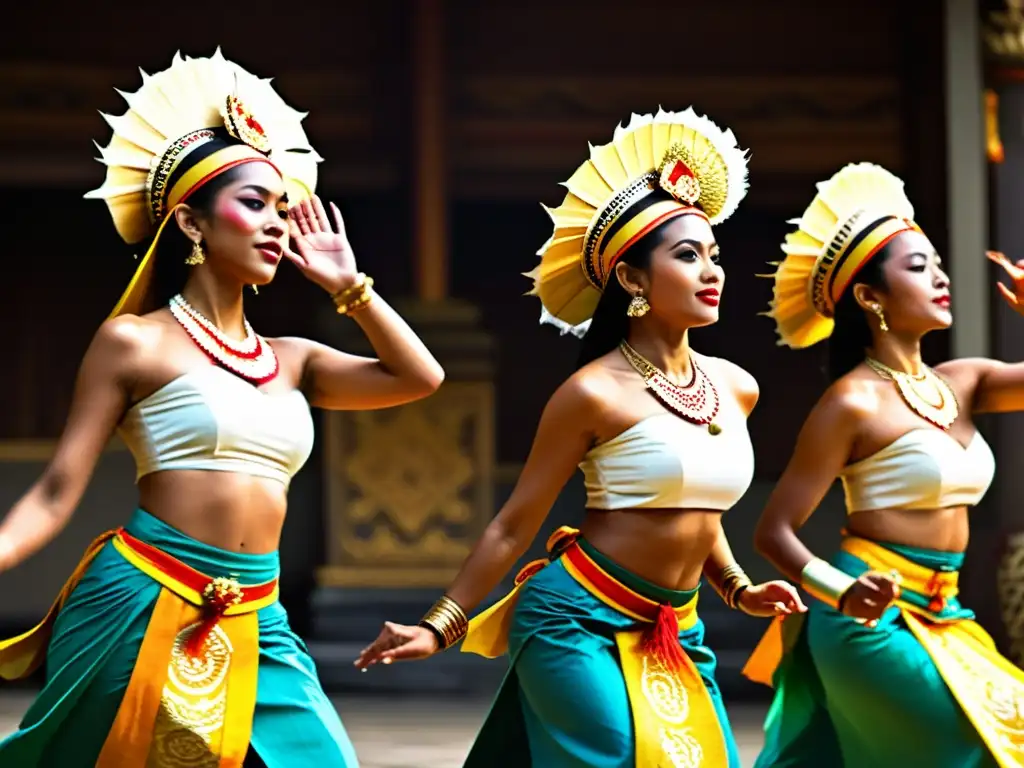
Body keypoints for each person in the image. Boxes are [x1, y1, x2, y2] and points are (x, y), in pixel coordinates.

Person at [0, 49, 444, 767]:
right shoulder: (132, 343)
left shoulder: (295, 358)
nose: (276, 225)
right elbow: (56, 492)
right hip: (139, 594)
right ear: (192, 223)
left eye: (281, 208)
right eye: (253, 204)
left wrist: (350, 286)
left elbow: (419, 376)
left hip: (257, 612)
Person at [356, 108, 805, 768]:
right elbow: (513, 526)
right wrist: (438, 626)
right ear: (631, 278)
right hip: (575, 619)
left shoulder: (737, 386)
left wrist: (739, 589)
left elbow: (700, 513)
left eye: (714, 255)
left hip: (677, 626)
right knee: (619, 758)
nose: (713, 272)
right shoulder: (592, 392)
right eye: (687, 256)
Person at [746, 161, 1024, 768]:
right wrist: (841, 592)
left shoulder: (965, 381)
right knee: (976, 749)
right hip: (868, 621)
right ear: (870, 296)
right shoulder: (851, 402)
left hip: (946, 613)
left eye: (939, 265)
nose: (941, 278)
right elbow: (774, 531)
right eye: (919, 268)